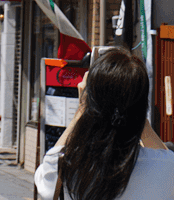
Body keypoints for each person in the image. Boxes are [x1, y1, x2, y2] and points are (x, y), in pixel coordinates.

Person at [34, 47, 174, 200]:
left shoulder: (65, 166)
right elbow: (167, 160)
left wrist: (81, 109)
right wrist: (141, 120)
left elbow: (48, 176)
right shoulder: (163, 167)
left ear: (91, 104)